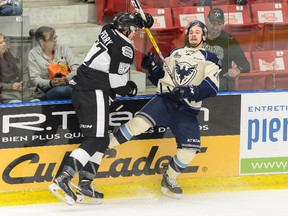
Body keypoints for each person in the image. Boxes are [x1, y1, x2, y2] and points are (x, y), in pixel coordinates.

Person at [48, 12, 154, 205]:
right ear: (127, 30)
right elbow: (118, 86)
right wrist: (130, 88)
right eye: (134, 30)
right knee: (95, 138)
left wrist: (138, 20)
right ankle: (63, 178)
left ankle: (85, 183)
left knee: (102, 139)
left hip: (85, 89)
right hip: (93, 91)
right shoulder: (124, 47)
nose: (135, 33)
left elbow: (116, 28)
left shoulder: (108, 31)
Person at [108, 20, 221, 199]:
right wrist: (152, 69)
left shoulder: (210, 58)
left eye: (198, 32)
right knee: (137, 124)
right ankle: (106, 145)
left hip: (186, 109)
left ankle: (169, 178)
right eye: (191, 32)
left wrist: (190, 90)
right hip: (165, 101)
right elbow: (162, 79)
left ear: (204, 37)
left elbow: (211, 87)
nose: (194, 35)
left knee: (189, 149)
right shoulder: (176, 53)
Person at [203, 8, 250, 91]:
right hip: (199, 78)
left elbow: (245, 64)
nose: (215, 27)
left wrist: (237, 69)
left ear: (223, 24)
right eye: (213, 23)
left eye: (219, 24)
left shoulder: (230, 41)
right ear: (206, 21)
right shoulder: (196, 36)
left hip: (221, 82)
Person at [28, 26, 79, 100]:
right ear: (42, 42)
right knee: (61, 91)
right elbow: (35, 79)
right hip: (47, 90)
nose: (55, 40)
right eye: (52, 39)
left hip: (68, 84)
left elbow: (76, 67)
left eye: (55, 37)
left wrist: (67, 79)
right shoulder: (33, 54)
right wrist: (50, 83)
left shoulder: (63, 48)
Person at [0, 33, 40, 103]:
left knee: (36, 102)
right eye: (0, 43)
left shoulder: (11, 53)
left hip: (23, 92)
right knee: (16, 104)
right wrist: (10, 86)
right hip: (6, 94)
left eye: (4, 41)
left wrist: (24, 81)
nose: (4, 44)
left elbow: (24, 70)